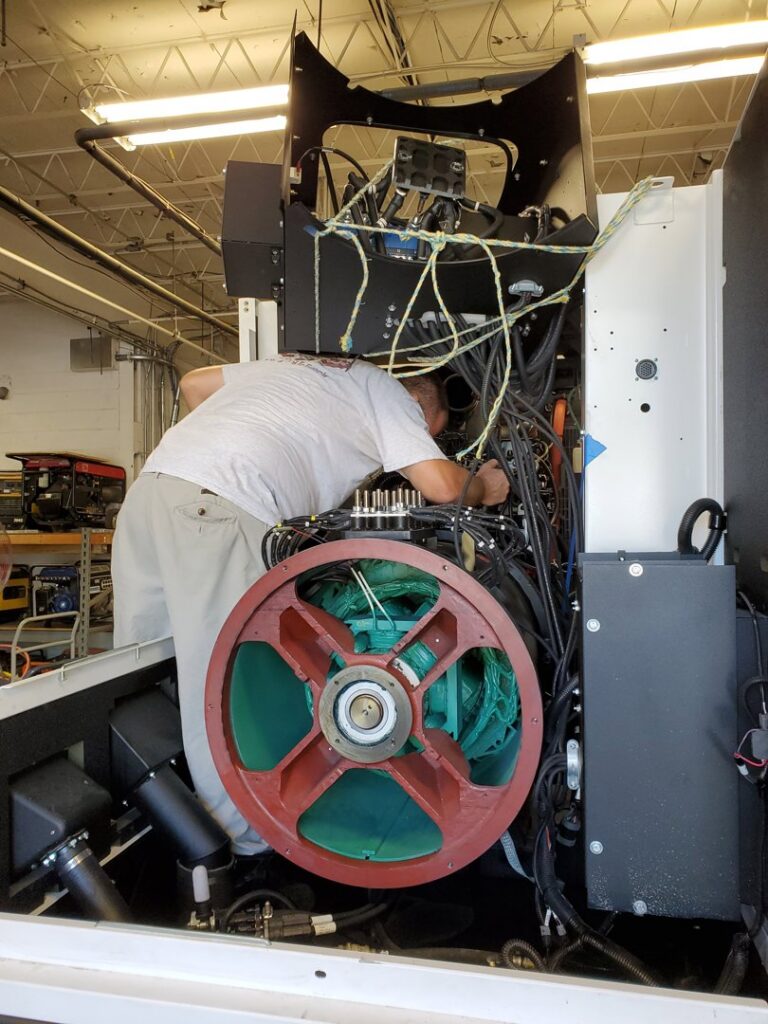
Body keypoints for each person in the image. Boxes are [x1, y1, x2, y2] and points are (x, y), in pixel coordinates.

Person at [111, 353, 509, 854]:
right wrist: (487, 488)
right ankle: (241, 844)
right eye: (428, 432)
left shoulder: (297, 367)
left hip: (153, 490)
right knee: (223, 682)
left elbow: (194, 383)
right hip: (222, 509)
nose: (418, 442)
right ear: (418, 404)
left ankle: (146, 820)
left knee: (141, 667)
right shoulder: (386, 389)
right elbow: (442, 485)